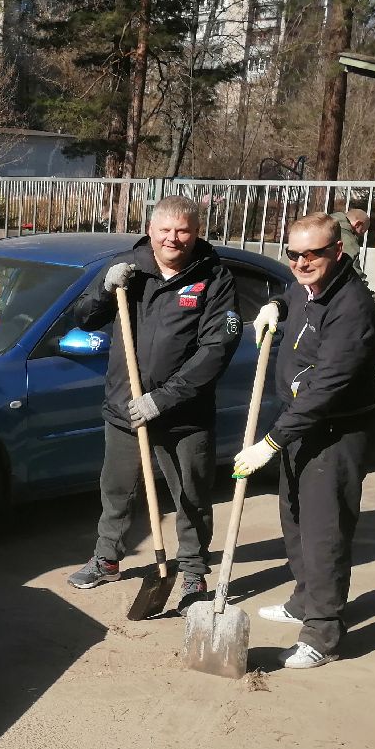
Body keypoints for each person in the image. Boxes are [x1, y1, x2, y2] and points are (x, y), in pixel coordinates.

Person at [67, 195, 242, 612]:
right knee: (116, 490)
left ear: (196, 233)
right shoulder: (129, 269)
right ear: (151, 230)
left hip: (185, 415)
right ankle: (107, 559)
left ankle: (193, 572)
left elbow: (216, 350)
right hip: (125, 405)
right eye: (165, 229)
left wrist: (162, 399)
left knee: (191, 497)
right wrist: (104, 289)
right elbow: (84, 317)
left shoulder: (214, 278)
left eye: (183, 231)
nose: (173, 238)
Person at [238, 212, 375, 669]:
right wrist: (276, 306)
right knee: (295, 517)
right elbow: (292, 294)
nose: (301, 263)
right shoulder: (308, 287)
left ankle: (323, 633)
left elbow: (325, 391)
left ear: (337, 251)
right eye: (293, 254)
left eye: (312, 254)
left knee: (325, 532)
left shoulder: (353, 309)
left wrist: (270, 443)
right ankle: (305, 599)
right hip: (302, 423)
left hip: (335, 431)